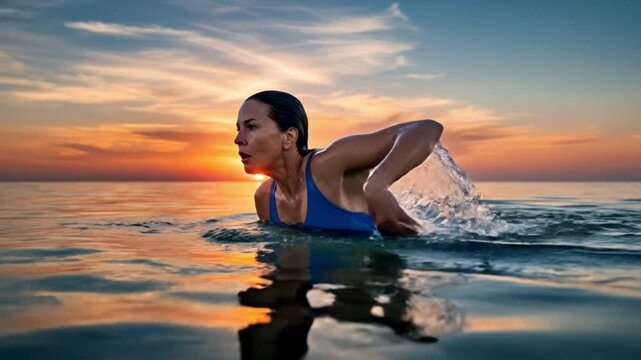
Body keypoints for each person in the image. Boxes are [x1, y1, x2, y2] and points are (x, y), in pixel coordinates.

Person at [234, 90, 443, 236]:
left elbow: (426, 128)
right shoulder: (264, 198)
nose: (238, 139)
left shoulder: (329, 164)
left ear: (289, 137)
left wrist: (377, 185)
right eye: (238, 129)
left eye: (251, 127)